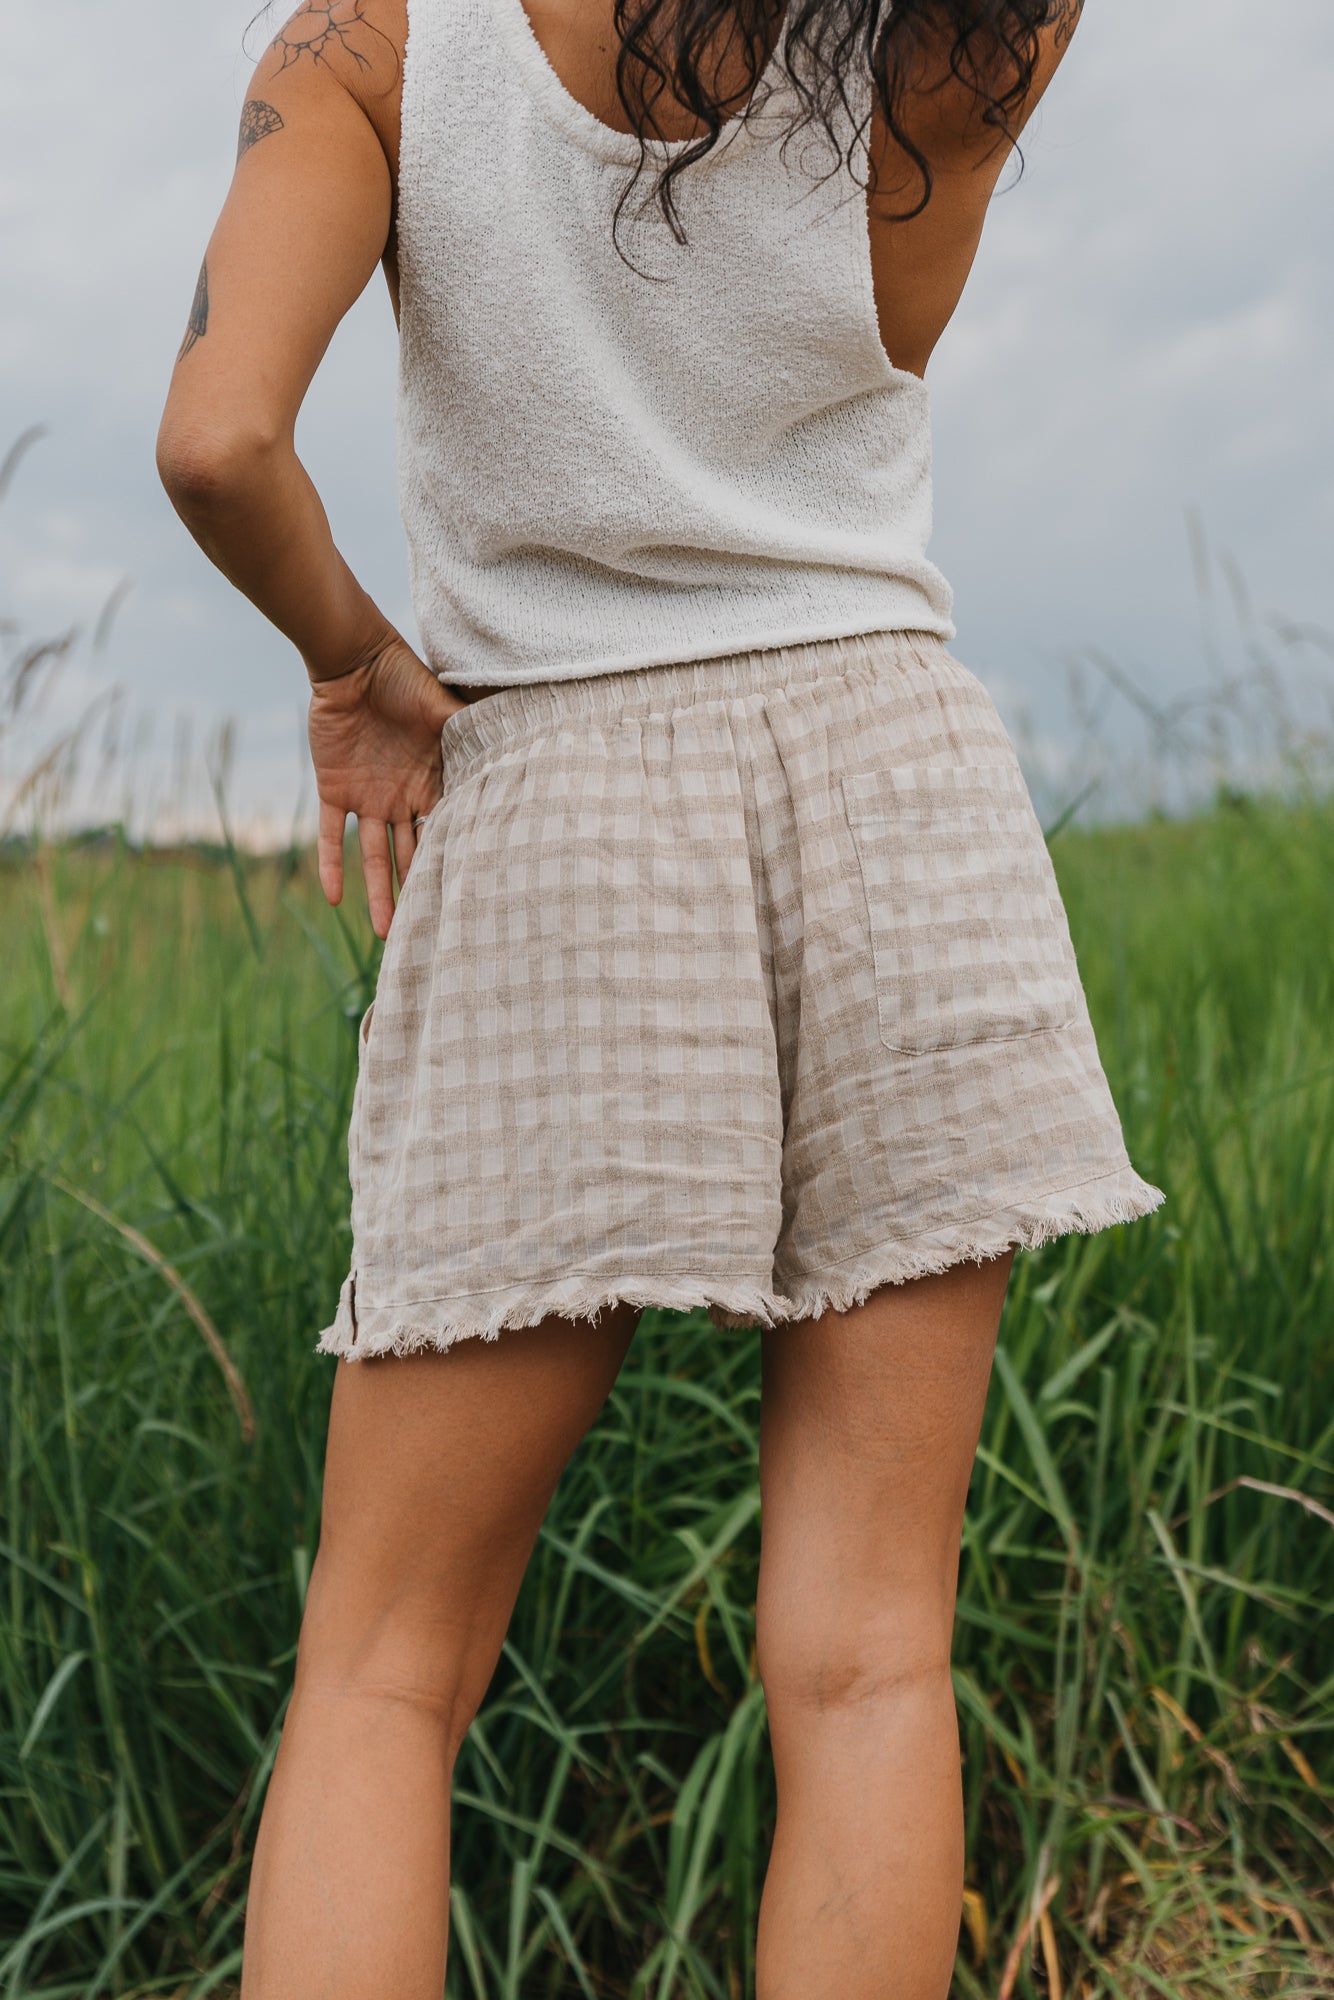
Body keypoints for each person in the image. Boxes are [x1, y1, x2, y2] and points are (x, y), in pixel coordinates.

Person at [156, 2, 1161, 1993]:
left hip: (561, 799)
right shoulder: (973, 23)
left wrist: (358, 660)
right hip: (897, 784)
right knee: (871, 1656)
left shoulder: (372, 43)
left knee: (382, 1673)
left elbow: (215, 441)